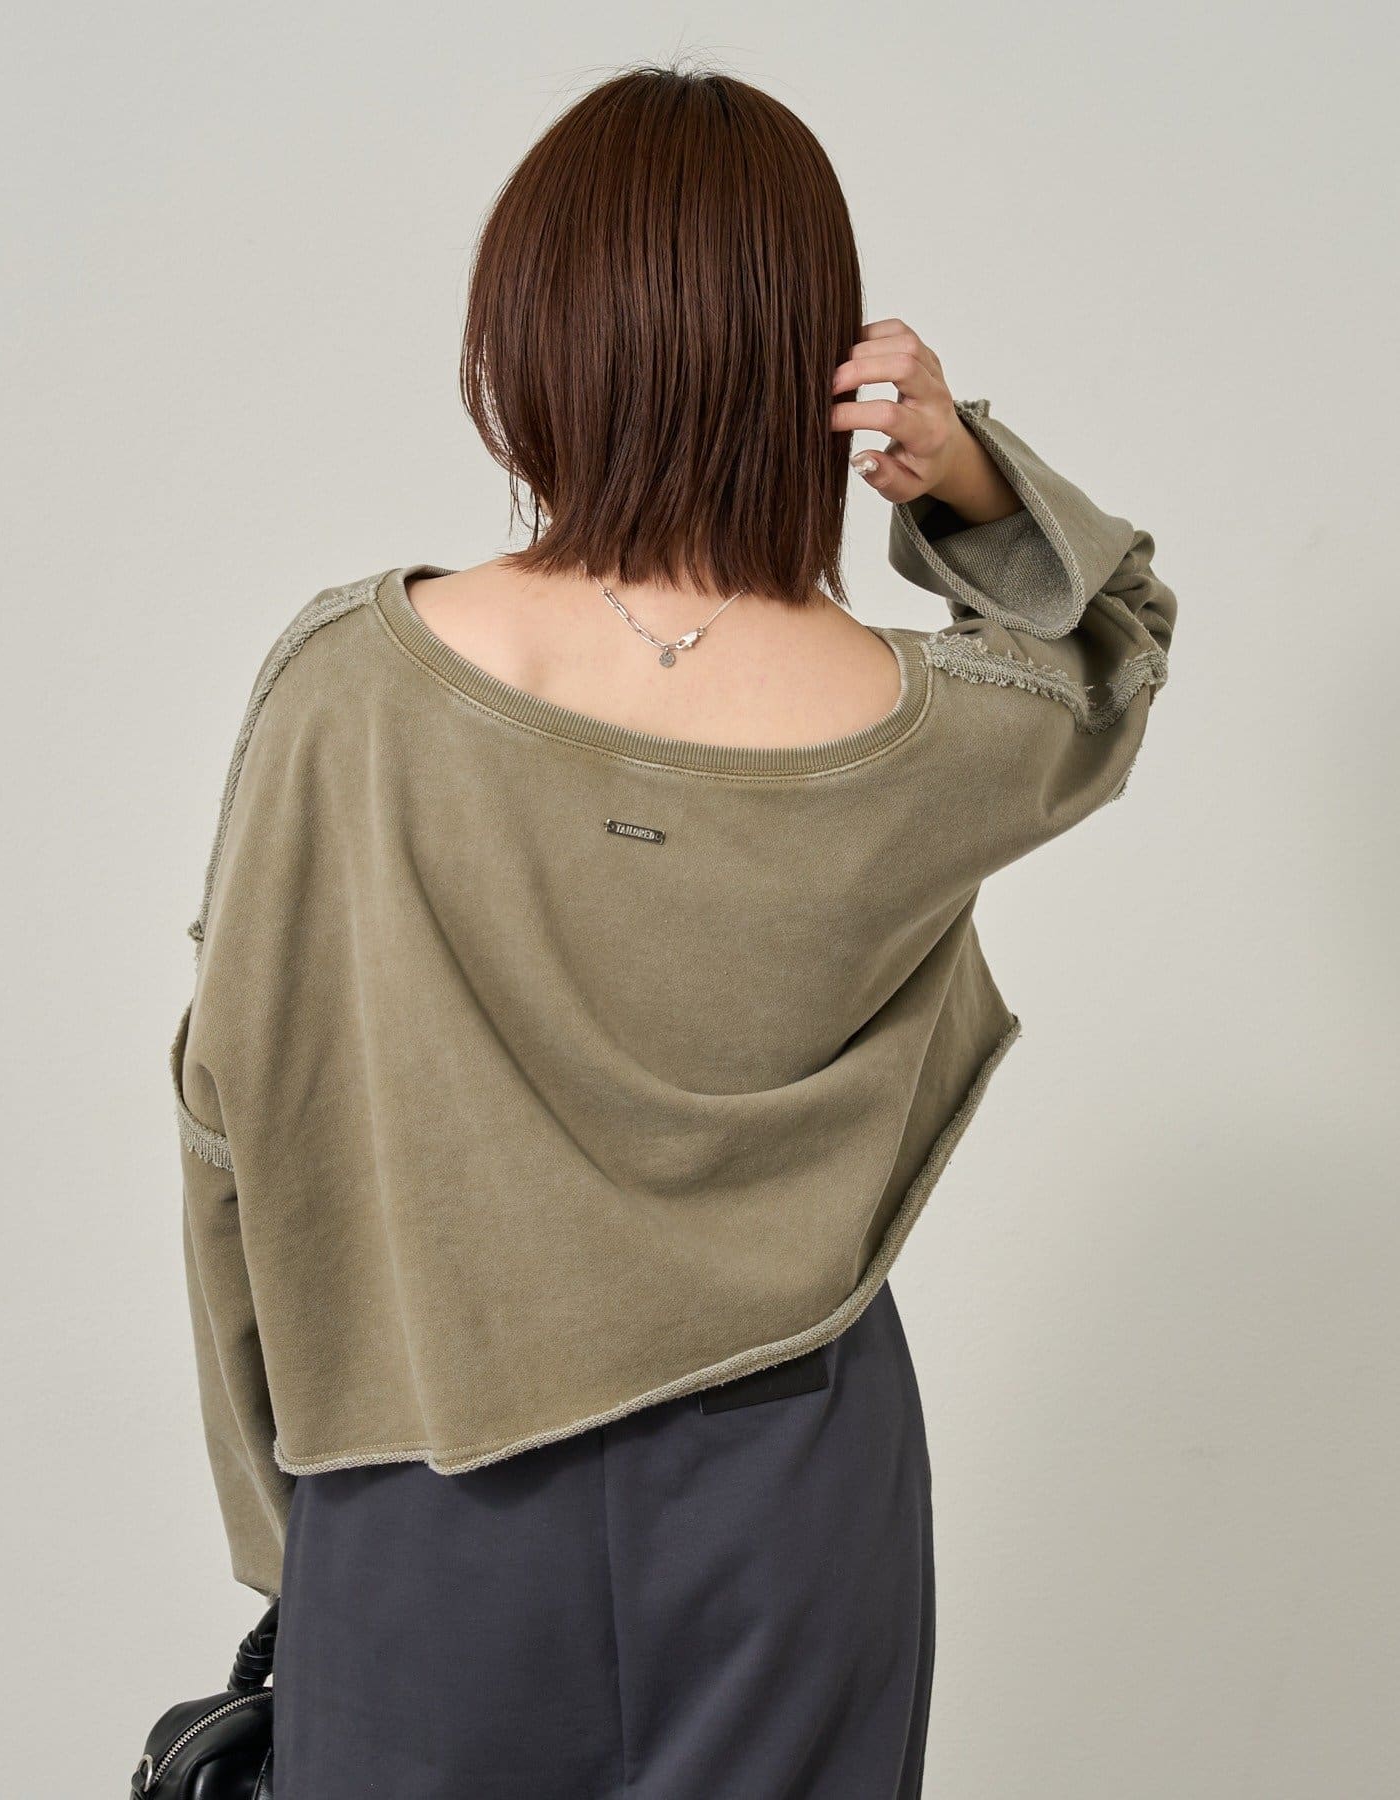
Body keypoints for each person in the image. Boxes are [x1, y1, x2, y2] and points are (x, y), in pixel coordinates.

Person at [168, 61, 1176, 1800]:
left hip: (419, 1479)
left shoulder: (350, 694)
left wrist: (293, 1532)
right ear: (815, 363)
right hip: (796, 1492)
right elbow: (1114, 647)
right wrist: (965, 476)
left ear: (525, 340)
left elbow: (235, 1130)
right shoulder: (935, 732)